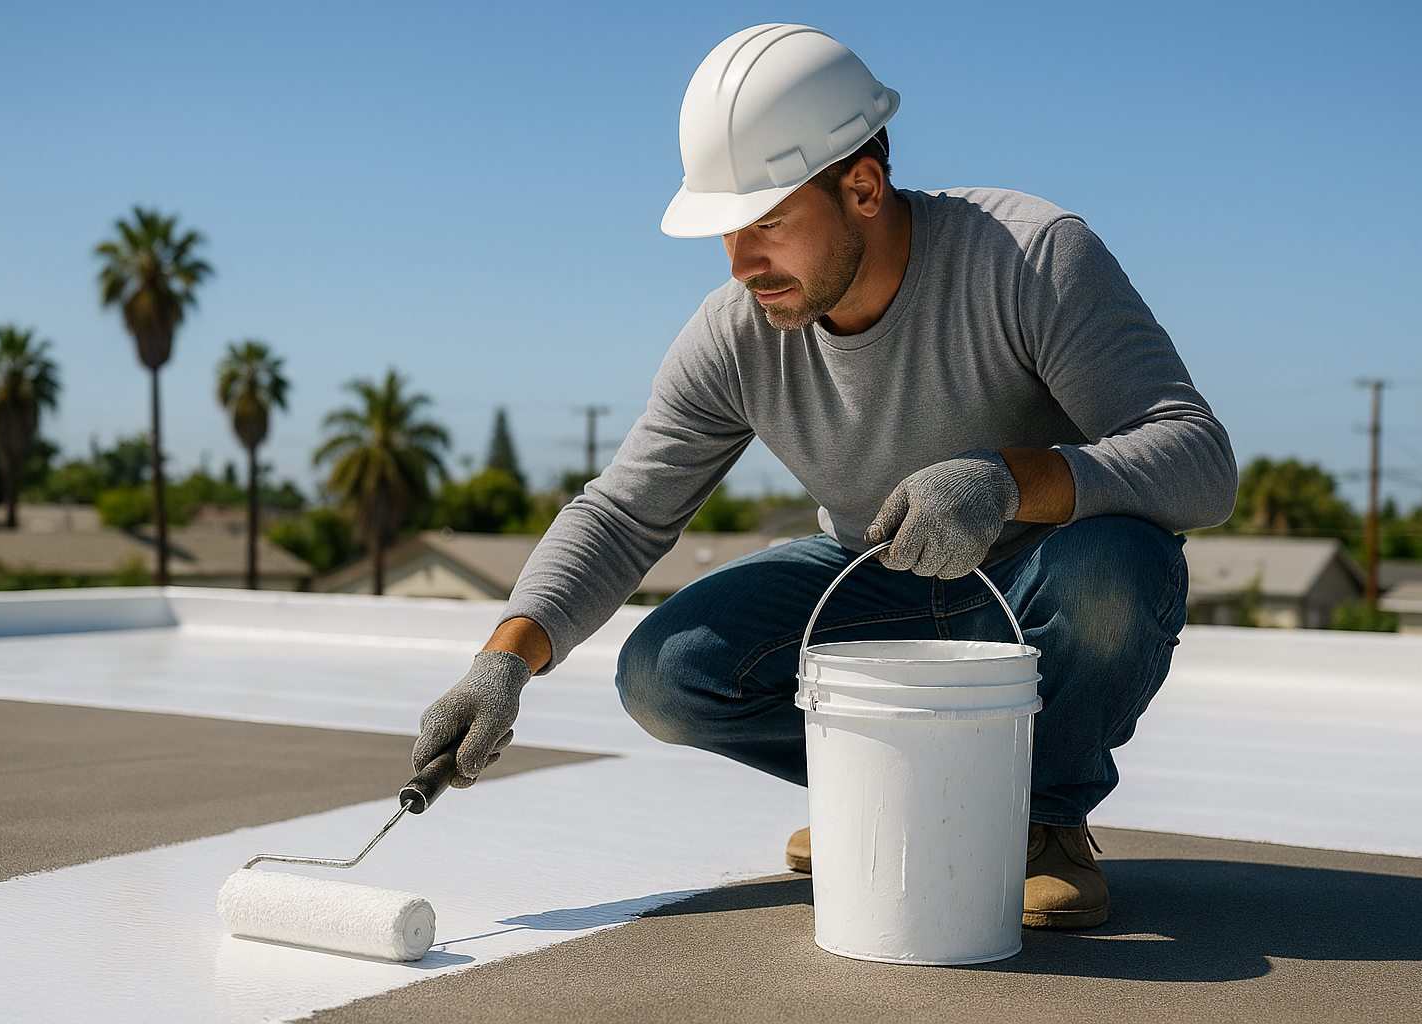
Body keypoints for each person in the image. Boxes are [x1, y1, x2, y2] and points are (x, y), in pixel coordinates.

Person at [412, 24, 1236, 929]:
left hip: (1039, 593)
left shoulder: (1029, 258)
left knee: (1119, 571)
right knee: (667, 670)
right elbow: (620, 515)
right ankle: (880, 786)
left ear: (864, 187)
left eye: (766, 221)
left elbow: (1197, 457)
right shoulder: (736, 334)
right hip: (875, 589)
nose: (740, 262)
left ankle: (1043, 821)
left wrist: (1007, 480)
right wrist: (503, 665)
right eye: (726, 228)